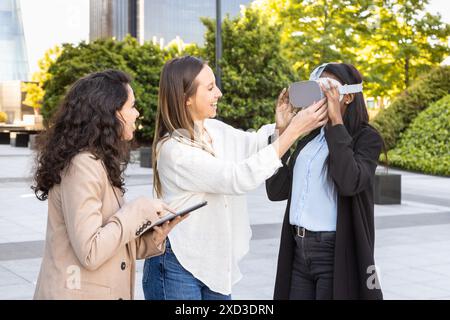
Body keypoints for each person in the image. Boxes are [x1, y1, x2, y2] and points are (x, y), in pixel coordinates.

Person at [142, 55, 328, 300]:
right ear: (186, 98)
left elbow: (252, 144)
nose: (218, 93)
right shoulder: (173, 150)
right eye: (210, 88)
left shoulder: (212, 129)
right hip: (178, 263)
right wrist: (293, 133)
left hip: (216, 265)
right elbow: (237, 178)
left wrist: (281, 126)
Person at [32, 70, 186, 300]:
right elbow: (91, 251)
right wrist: (137, 209)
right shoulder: (83, 165)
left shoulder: (97, 162)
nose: (137, 114)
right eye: (132, 106)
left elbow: (111, 243)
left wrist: (153, 238)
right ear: (110, 113)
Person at [266, 62, 384, 300]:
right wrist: (282, 131)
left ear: (348, 96)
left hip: (334, 252)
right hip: (298, 249)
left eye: (328, 88)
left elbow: (349, 182)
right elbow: (276, 190)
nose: (320, 96)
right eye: (316, 89)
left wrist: (335, 123)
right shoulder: (308, 139)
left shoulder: (366, 137)